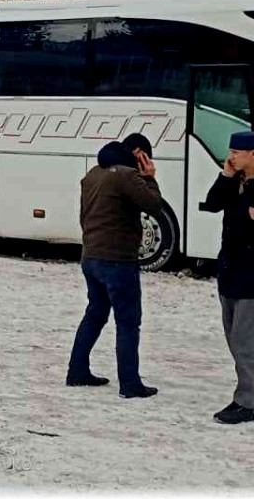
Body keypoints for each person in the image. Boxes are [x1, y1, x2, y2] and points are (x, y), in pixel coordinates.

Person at [200, 131, 254, 424]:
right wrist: (225, 176)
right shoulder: (235, 179)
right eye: (231, 151)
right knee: (232, 334)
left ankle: (245, 402)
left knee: (246, 339)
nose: (232, 156)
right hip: (229, 268)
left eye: (237, 152)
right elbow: (212, 203)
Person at [67, 139, 164, 399]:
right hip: (118, 260)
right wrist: (150, 178)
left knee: (95, 313)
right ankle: (130, 384)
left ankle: (77, 370)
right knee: (128, 322)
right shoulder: (126, 175)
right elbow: (154, 205)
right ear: (138, 154)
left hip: (91, 256)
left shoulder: (93, 174)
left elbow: (84, 216)